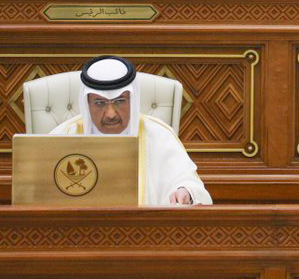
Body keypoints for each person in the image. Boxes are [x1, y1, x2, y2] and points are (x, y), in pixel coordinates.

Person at [50, 55, 212, 206]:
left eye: (120, 101)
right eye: (100, 103)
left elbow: (189, 183)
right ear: (87, 103)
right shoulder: (62, 137)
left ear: (132, 100)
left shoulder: (159, 135)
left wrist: (185, 191)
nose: (111, 114)